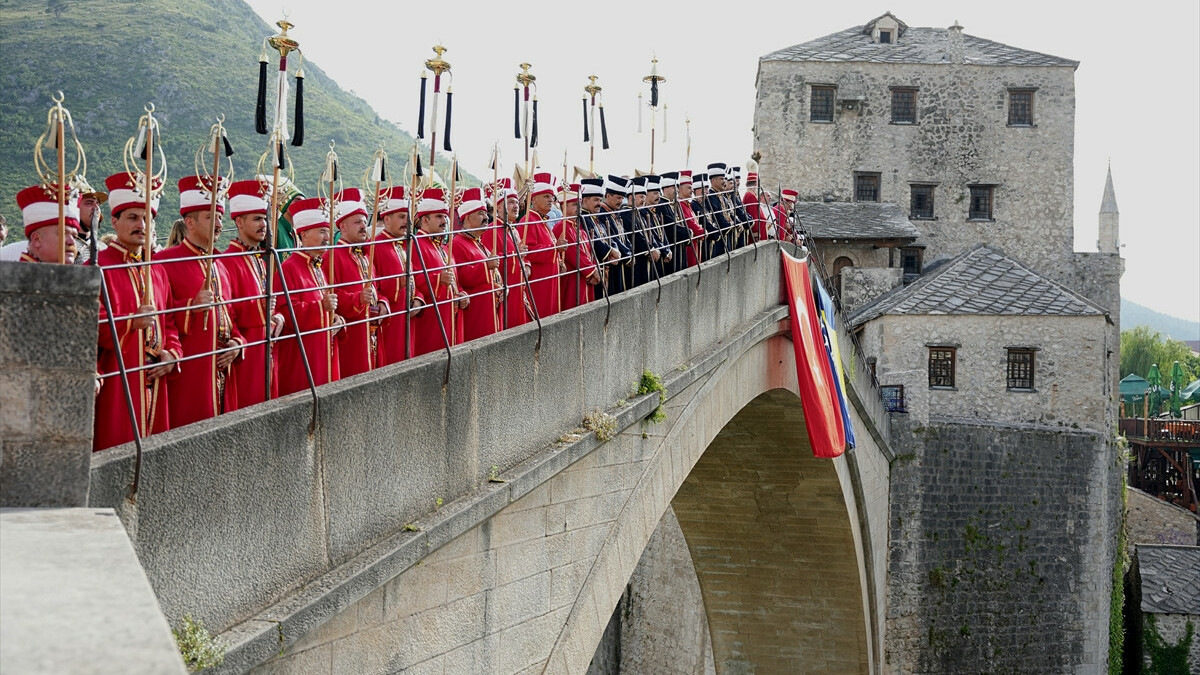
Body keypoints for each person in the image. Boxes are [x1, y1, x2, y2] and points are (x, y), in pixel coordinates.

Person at [93, 172, 180, 451]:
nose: (141, 225)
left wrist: (172, 354)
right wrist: (131, 322)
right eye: (132, 217)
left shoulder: (157, 269)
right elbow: (89, 329)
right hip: (119, 378)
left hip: (156, 378)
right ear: (114, 221)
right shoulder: (96, 269)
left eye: (146, 219)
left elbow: (170, 324)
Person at [157, 175, 244, 426]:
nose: (218, 223)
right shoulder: (166, 261)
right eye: (210, 217)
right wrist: (190, 307)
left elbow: (232, 318)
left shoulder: (220, 265)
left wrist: (237, 344)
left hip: (223, 372)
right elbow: (161, 318)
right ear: (190, 223)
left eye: (219, 216)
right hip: (190, 375)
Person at [223, 178, 283, 407]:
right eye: (257, 219)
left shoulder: (262, 259)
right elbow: (228, 313)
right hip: (245, 355)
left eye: (265, 219)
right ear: (239, 221)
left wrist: (277, 316)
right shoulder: (227, 261)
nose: (264, 224)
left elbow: (273, 306)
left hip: (266, 349)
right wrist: (262, 309)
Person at [278, 197, 343, 395]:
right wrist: (320, 307)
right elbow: (285, 312)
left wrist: (337, 318)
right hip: (301, 356)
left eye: (328, 231)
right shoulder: (288, 269)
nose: (328, 237)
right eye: (322, 231)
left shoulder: (318, 266)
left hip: (323, 350)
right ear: (304, 234)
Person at [328, 187, 386, 378]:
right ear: (342, 227)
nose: (363, 225)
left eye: (364, 220)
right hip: (351, 336)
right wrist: (357, 298)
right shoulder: (332, 257)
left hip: (370, 330)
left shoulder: (364, 256)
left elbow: (376, 288)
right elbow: (331, 296)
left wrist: (383, 302)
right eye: (357, 222)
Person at [409, 188, 467, 356]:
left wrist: (461, 293)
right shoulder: (416, 245)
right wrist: (437, 279)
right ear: (425, 220)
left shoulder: (441, 246)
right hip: (430, 320)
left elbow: (455, 280)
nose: (444, 221)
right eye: (439, 217)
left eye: (445, 217)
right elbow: (414, 281)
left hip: (449, 315)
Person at [372, 185, 424, 366]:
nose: (407, 221)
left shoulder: (403, 245)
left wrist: (418, 298)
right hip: (390, 321)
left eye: (408, 217)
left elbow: (415, 281)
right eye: (402, 217)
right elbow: (372, 286)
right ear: (386, 219)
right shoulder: (375, 247)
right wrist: (397, 284)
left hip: (407, 317)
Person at [451, 187, 501, 340]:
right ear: (467, 218)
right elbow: (463, 276)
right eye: (480, 213)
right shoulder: (457, 244)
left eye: (486, 213)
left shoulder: (479, 243)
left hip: (488, 307)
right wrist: (487, 266)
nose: (486, 217)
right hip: (476, 310)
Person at [483, 178, 530, 329]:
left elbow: (523, 255)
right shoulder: (491, 230)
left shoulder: (514, 230)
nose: (516, 206)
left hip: (519, 287)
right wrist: (517, 256)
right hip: (507, 289)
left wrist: (527, 264)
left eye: (516, 202)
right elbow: (494, 264)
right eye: (510, 202)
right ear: (498, 206)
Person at [516, 172, 564, 318]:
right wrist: (555, 249)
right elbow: (528, 252)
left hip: (549, 280)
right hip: (539, 283)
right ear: (534, 199)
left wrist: (559, 260)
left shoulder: (542, 221)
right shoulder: (528, 221)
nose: (551, 200)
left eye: (552, 197)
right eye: (546, 196)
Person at [553, 183, 602, 310]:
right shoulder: (562, 227)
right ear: (564, 206)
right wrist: (591, 271)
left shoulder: (579, 228)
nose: (579, 207)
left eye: (579, 204)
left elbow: (589, 253)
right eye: (575, 204)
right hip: (572, 279)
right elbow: (575, 254)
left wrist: (594, 267)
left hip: (584, 277)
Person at [13, 183, 81, 264]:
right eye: (63, 233)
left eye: (75, 236)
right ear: (37, 239)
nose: (72, 241)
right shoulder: (17, 275)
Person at [596, 175, 634, 295]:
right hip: (614, 261)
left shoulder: (614, 213)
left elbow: (624, 235)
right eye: (618, 198)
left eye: (622, 198)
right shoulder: (602, 213)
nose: (621, 201)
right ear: (607, 196)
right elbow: (612, 237)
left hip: (621, 259)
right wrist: (627, 254)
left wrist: (629, 250)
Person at [74, 178, 107, 264]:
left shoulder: (103, 248)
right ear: (74, 209)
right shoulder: (65, 247)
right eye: (89, 203)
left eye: (97, 203)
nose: (96, 207)